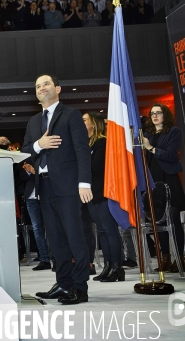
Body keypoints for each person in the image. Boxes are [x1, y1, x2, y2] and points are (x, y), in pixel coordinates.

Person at [22, 73, 92, 305]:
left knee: (74, 236)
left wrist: (84, 182)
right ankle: (63, 284)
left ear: (58, 88)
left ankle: (80, 288)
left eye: (46, 84)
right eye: (37, 85)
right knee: (55, 239)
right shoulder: (33, 121)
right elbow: (25, 151)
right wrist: (37, 144)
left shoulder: (71, 115)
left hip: (69, 186)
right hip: (44, 187)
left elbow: (82, 150)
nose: (41, 88)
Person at [143, 103, 185, 272]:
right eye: (152, 113)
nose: (154, 116)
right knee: (158, 220)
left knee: (173, 219)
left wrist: (150, 148)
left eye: (158, 113)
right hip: (153, 181)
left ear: (165, 115)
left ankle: (180, 259)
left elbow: (170, 155)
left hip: (169, 179)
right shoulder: (147, 134)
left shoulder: (173, 131)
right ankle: (165, 259)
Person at [82, 112, 125, 282]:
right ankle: (107, 266)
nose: (81, 123)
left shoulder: (103, 143)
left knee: (109, 230)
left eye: (84, 120)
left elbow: (96, 167)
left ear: (94, 124)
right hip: (92, 194)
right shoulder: (87, 144)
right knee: (101, 230)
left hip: (105, 192)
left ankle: (117, 267)